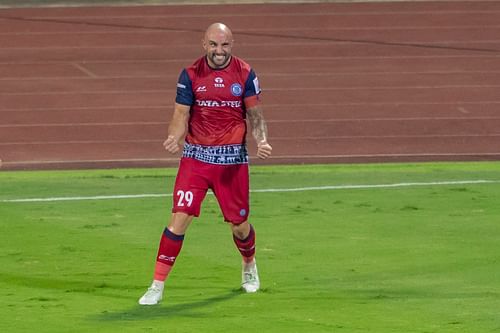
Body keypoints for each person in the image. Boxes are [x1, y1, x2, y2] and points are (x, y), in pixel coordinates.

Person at [138, 22, 272, 305]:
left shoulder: (246, 73)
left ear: (231, 45)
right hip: (196, 160)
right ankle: (157, 285)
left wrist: (261, 141)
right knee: (179, 219)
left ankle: (249, 264)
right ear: (204, 44)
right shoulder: (189, 75)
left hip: (231, 161)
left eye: (224, 45)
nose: (219, 51)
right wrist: (174, 137)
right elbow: (181, 112)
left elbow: (255, 114)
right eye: (213, 45)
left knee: (239, 225)